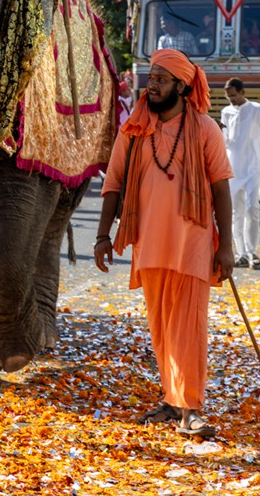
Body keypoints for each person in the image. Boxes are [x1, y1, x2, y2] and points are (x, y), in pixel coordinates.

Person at [94, 49, 233, 439]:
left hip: (194, 242)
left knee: (187, 328)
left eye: (159, 80)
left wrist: (227, 246)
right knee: (162, 330)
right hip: (150, 245)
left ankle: (190, 409)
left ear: (181, 86)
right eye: (150, 78)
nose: (150, 85)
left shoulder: (205, 128)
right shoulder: (135, 130)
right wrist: (103, 236)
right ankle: (173, 402)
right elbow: (113, 183)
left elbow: (221, 187)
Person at [220, 77, 260, 269]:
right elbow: (226, 141)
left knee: (253, 209)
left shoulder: (256, 110)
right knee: (236, 212)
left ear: (243, 92)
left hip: (254, 167)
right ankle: (242, 253)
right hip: (233, 168)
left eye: (234, 96)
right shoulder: (226, 112)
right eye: (228, 97)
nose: (231, 100)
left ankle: (253, 252)